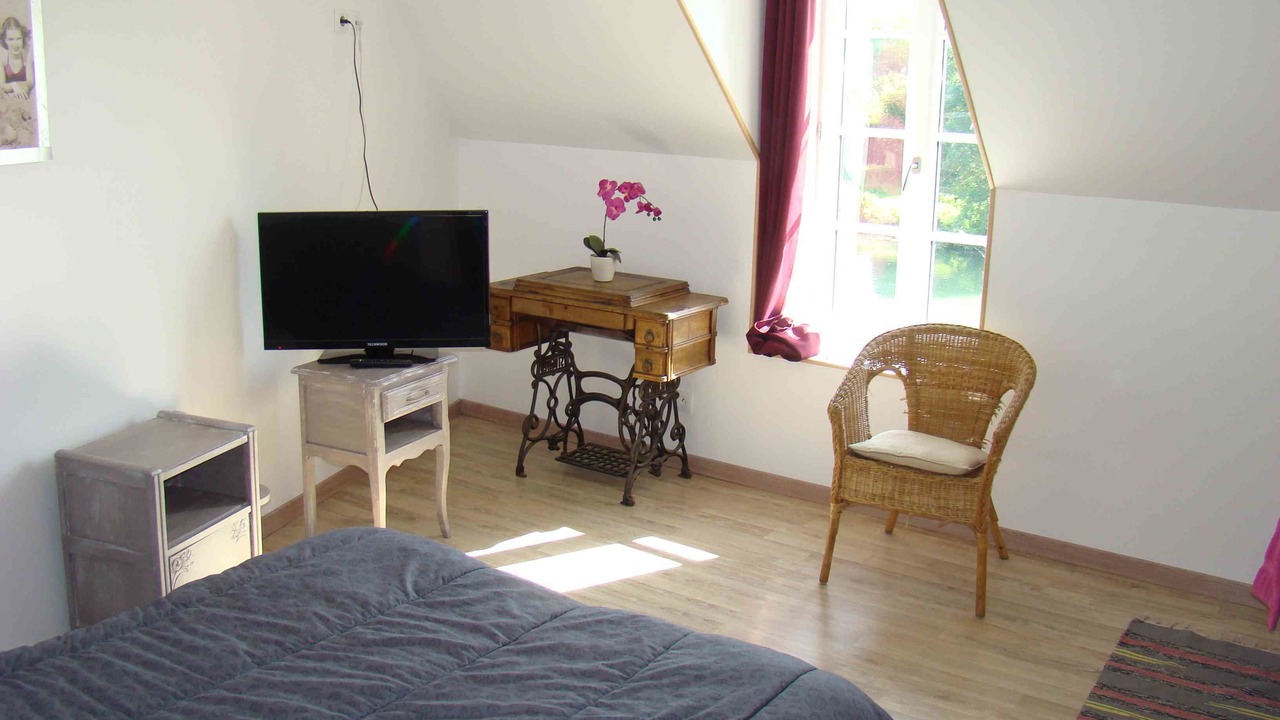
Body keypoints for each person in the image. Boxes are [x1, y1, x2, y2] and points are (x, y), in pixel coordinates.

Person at [1, 16, 32, 101]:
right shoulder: (2, 58)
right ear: (5, 40)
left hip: (24, 96)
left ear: (22, 38)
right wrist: (14, 86)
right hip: (7, 100)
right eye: (11, 39)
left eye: (18, 39)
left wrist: (22, 87)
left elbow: (31, 82)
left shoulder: (27, 55)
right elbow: (2, 85)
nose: (15, 44)